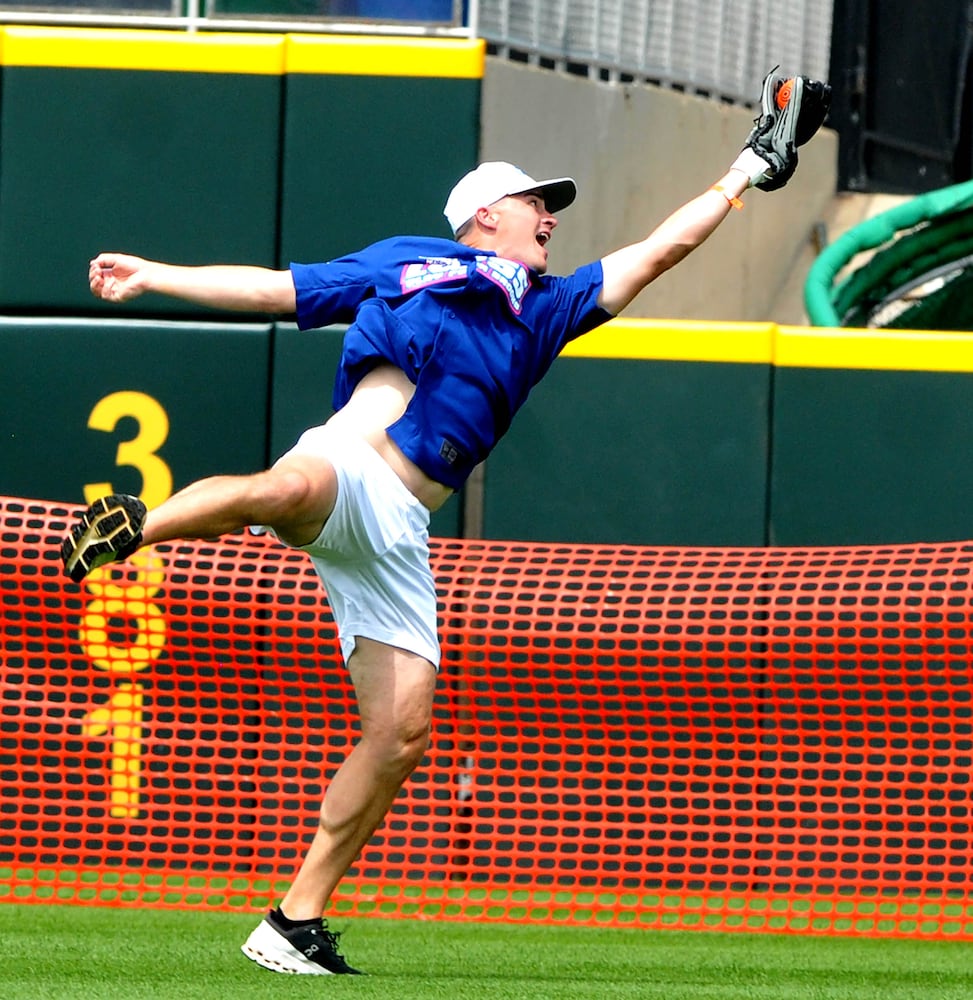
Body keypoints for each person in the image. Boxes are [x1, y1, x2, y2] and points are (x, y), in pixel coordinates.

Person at [61, 70, 830, 975]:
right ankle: (138, 525)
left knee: (400, 737)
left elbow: (661, 248)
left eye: (551, 205)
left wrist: (744, 169)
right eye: (534, 201)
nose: (550, 214)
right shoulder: (416, 260)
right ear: (484, 215)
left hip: (400, 535)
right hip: (352, 461)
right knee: (286, 490)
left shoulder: (548, 310)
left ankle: (291, 922)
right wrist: (153, 275)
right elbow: (278, 291)